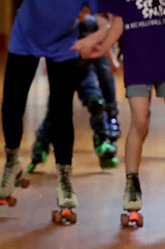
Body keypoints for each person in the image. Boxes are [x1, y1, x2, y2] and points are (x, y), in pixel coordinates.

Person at [74, 0, 165, 227]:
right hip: (138, 56)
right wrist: (102, 48)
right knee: (139, 122)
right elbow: (119, 22)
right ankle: (132, 185)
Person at [0, 0, 98, 220]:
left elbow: (107, 15)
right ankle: (12, 162)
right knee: (12, 104)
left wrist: (97, 37)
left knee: (61, 111)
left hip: (65, 44)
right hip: (25, 39)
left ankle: (64, 177)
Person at [28, 12, 121, 172]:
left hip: (86, 71)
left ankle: (103, 142)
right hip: (64, 73)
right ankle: (40, 145)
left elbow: (104, 35)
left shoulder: (92, 23)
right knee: (55, 112)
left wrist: (111, 59)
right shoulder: (60, 22)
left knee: (96, 103)